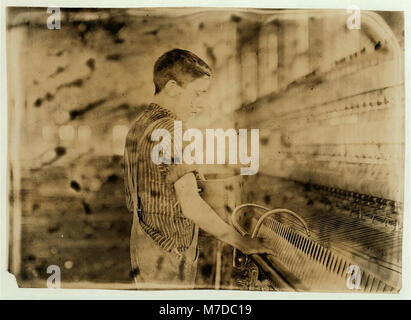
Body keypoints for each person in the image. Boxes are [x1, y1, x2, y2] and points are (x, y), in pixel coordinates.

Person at [124, 48, 273, 289]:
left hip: (144, 242)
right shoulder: (172, 129)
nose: (201, 104)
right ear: (172, 88)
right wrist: (241, 242)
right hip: (170, 250)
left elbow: (158, 182)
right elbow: (190, 203)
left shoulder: (140, 125)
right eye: (197, 94)